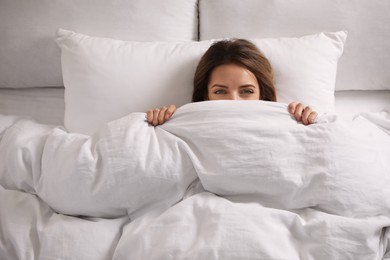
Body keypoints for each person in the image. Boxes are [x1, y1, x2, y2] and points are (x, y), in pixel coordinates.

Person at [146, 39, 317, 126]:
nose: (233, 102)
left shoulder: (286, 122)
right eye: (220, 91)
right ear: (206, 95)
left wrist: (305, 123)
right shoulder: (184, 123)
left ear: (262, 94)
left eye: (247, 91)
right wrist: (159, 124)